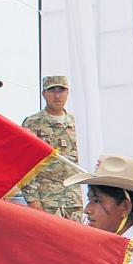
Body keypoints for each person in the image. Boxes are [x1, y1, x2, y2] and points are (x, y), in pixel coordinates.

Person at [20, 75, 83, 220]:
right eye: (52, 90)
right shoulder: (33, 123)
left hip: (73, 201)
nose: (57, 95)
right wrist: (33, 200)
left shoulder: (76, 123)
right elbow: (25, 164)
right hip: (46, 201)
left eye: (61, 90)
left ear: (67, 93)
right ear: (44, 94)